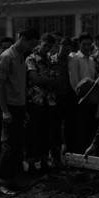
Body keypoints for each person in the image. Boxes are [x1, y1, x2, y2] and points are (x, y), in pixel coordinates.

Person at [0, 27, 40, 197]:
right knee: (8, 146)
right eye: (30, 43)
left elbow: (20, 86)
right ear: (21, 38)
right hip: (9, 107)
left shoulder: (22, 56)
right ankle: (1, 183)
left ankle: (11, 179)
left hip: (19, 107)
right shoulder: (7, 56)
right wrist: (5, 110)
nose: (31, 47)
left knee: (17, 146)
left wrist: (24, 109)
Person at [25, 33, 58, 173]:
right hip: (35, 100)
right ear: (40, 43)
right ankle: (31, 164)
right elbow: (35, 79)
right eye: (45, 45)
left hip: (49, 101)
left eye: (50, 47)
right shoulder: (31, 58)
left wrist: (46, 80)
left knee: (47, 132)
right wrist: (49, 80)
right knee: (33, 133)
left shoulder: (51, 60)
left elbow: (57, 80)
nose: (47, 49)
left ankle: (44, 161)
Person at [68, 32, 98, 154]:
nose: (86, 47)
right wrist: (81, 96)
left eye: (89, 44)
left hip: (91, 99)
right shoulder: (75, 59)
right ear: (79, 44)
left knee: (90, 129)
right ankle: (78, 155)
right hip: (79, 99)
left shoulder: (91, 60)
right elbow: (74, 81)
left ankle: (87, 155)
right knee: (80, 129)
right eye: (84, 44)